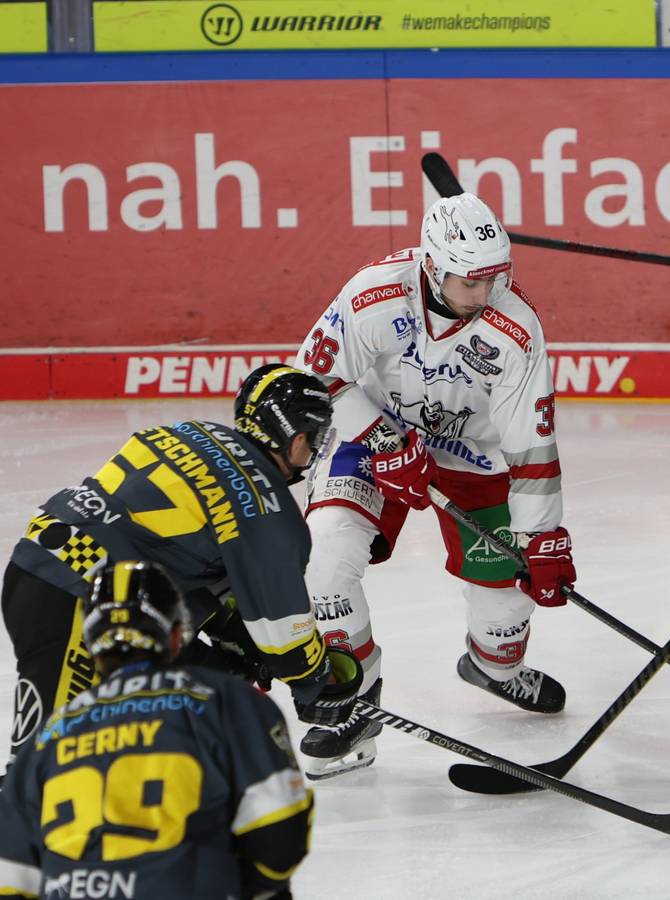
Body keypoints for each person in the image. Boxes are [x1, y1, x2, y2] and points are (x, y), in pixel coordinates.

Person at [293, 191, 576, 780]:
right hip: (374, 440)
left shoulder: (516, 329)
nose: (483, 294)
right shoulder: (374, 293)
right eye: (469, 282)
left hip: (475, 457)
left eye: (494, 277)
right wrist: (381, 440)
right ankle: (355, 701)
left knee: (505, 611)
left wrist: (542, 540)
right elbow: (313, 376)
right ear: (431, 266)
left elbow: (531, 443)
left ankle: (493, 668)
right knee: (324, 557)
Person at [2, 363, 365, 775]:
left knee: (205, 685)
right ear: (296, 436)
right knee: (47, 772)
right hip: (80, 600)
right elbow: (285, 637)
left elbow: (165, 549)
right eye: (315, 437)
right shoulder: (268, 508)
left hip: (45, 568)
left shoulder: (190, 432)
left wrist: (232, 635)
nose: (314, 449)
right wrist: (316, 680)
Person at [0, 560, 312, 899]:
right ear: (176, 636)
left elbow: (11, 879)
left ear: (90, 646)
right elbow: (279, 828)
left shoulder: (47, 737)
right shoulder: (224, 700)